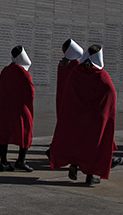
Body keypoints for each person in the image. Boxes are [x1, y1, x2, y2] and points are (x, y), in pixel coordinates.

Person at [50, 44, 117, 186]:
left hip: (77, 115)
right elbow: (110, 94)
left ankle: (74, 165)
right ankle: (90, 175)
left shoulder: (76, 72)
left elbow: (68, 93)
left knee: (77, 141)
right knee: (92, 145)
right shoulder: (101, 76)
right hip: (93, 118)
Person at [0, 45, 35, 172]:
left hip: (5, 107)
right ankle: (21, 160)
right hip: (20, 108)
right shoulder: (24, 73)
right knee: (25, 132)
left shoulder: (5, 70)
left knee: (4, 134)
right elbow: (30, 92)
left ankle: (4, 162)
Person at [47, 39, 83, 165]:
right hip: (73, 103)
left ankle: (54, 150)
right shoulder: (76, 67)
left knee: (66, 129)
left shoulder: (63, 64)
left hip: (62, 101)